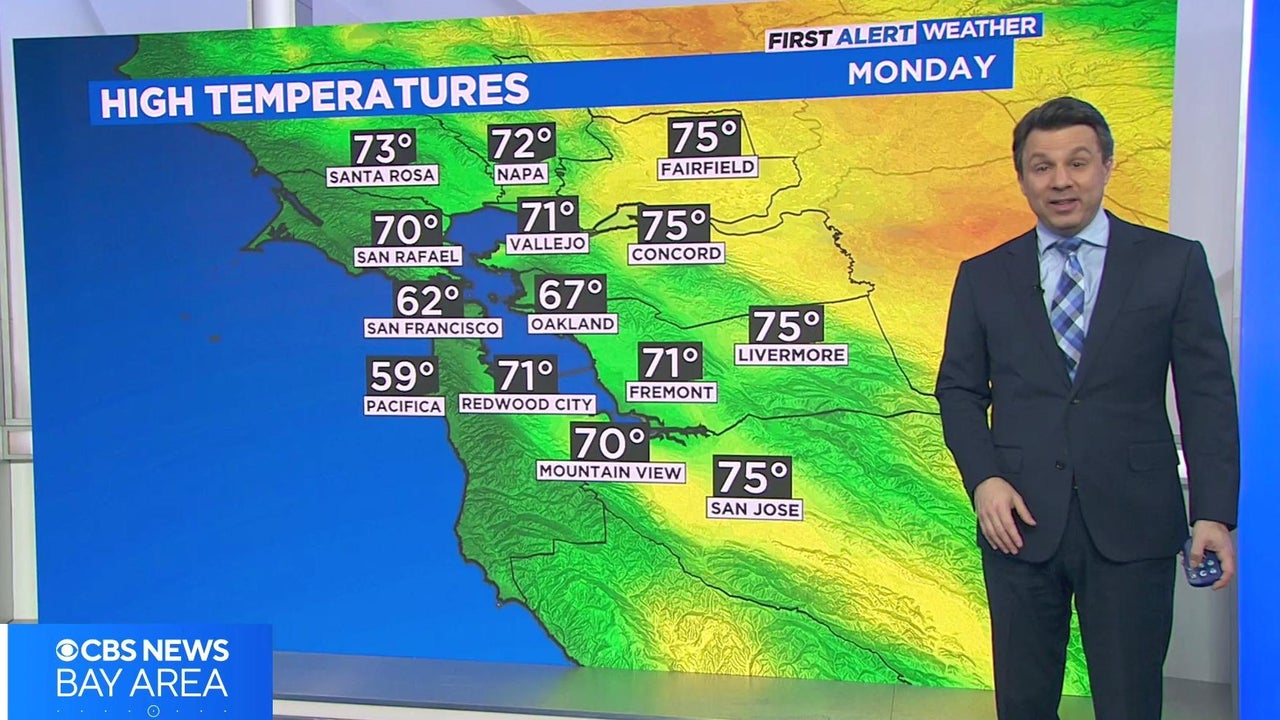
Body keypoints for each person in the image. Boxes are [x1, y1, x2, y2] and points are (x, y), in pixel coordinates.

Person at [934, 96, 1240, 720]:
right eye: (1042, 167)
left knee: (1130, 702)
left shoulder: (1174, 263)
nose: (1061, 181)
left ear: (1106, 166)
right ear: (1022, 178)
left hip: (1135, 520)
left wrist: (1213, 512)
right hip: (1019, 521)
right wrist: (984, 480)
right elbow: (959, 390)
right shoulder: (983, 276)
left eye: (1077, 162)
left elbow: (1206, 393)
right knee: (1023, 702)